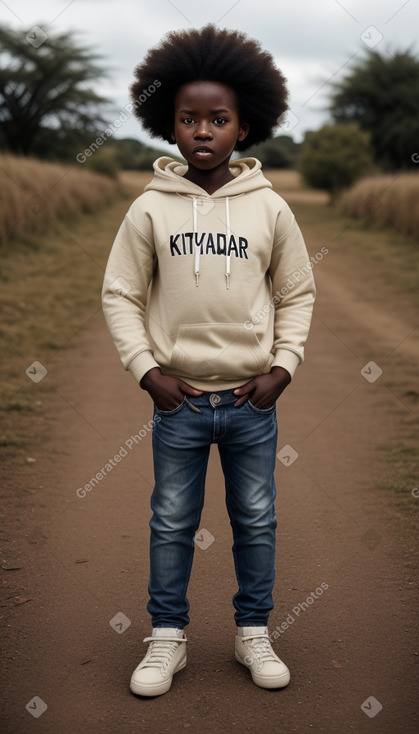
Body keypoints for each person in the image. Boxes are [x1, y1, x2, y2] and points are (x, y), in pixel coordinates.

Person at [102, 24, 315, 697]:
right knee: (171, 521)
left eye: (217, 119)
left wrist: (281, 368)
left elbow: (297, 292)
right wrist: (146, 371)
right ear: (168, 127)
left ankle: (253, 632)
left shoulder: (270, 208)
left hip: (251, 403)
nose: (202, 131)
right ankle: (167, 639)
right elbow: (120, 293)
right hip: (181, 402)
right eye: (188, 119)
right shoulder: (148, 210)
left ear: (243, 127)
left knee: (255, 518)